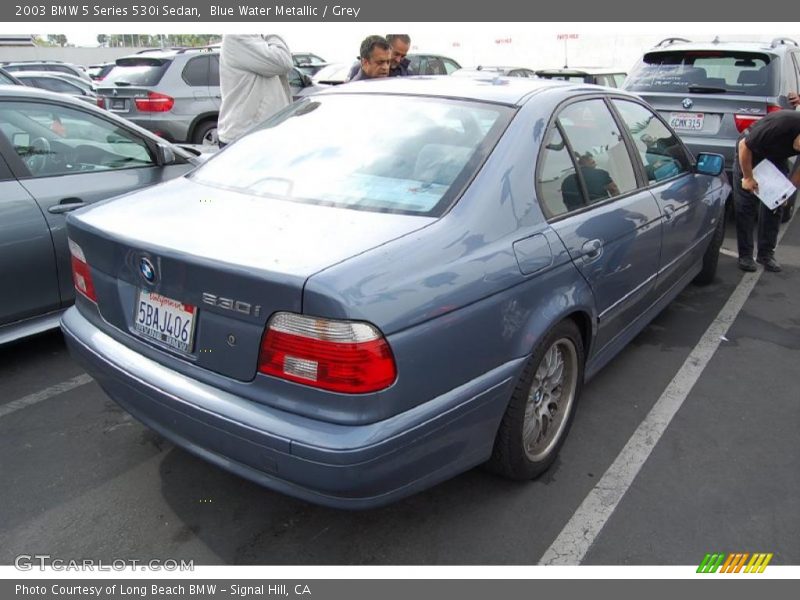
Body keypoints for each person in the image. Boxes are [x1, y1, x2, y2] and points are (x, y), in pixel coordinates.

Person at [734, 110, 800, 272]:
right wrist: (748, 178)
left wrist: (786, 191)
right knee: (746, 205)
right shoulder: (782, 124)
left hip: (776, 156)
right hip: (751, 151)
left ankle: (766, 254)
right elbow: (744, 146)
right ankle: (745, 255)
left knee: (775, 204)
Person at [217, 34, 293, 147]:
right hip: (247, 136)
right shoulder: (238, 36)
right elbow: (284, 61)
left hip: (258, 133)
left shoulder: (256, 38)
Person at [347, 34, 413, 80]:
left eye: (403, 56)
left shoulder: (407, 72)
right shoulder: (357, 69)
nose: (398, 60)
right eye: (396, 54)